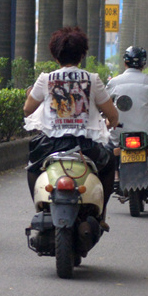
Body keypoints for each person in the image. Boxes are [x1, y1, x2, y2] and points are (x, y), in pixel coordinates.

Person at [23, 26, 119, 230]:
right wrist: (110, 123)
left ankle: (40, 209)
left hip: (50, 146)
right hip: (86, 147)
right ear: (82, 55)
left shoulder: (45, 79)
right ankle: (101, 214)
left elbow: (27, 109)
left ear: (56, 56)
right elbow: (112, 114)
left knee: (32, 167)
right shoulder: (93, 80)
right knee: (109, 163)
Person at [107, 46, 148, 193]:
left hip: (119, 132)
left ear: (125, 63)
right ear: (144, 64)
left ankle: (116, 177)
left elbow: (104, 105)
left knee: (109, 147)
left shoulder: (114, 82)